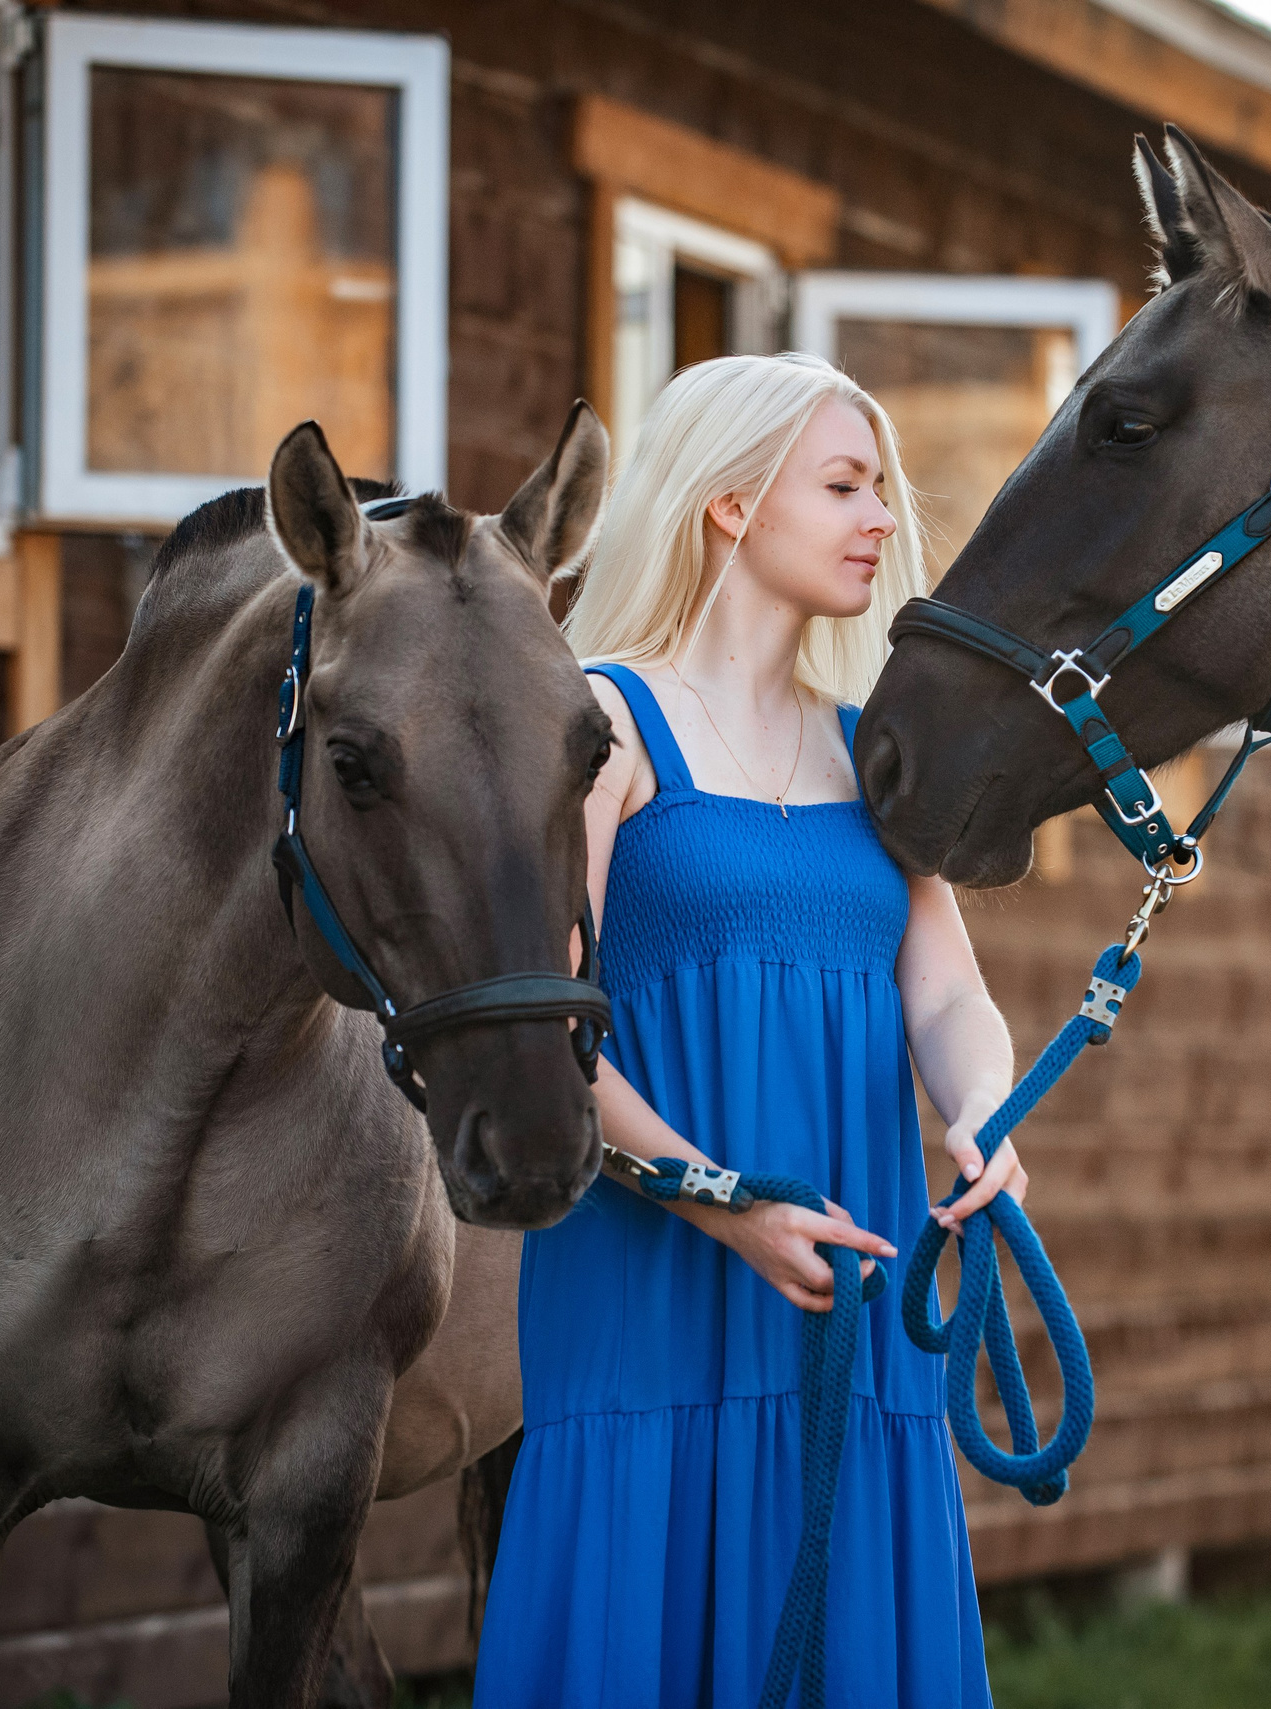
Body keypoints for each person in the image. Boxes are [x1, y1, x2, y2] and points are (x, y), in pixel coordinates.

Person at [471, 352, 1025, 1708]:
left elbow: (947, 995)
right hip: (652, 1298)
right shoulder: (604, 723)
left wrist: (981, 1111)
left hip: (850, 1283)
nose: (881, 518)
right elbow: (547, 1032)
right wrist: (720, 1202)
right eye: (844, 486)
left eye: (880, 490)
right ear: (729, 503)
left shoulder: (873, 750)